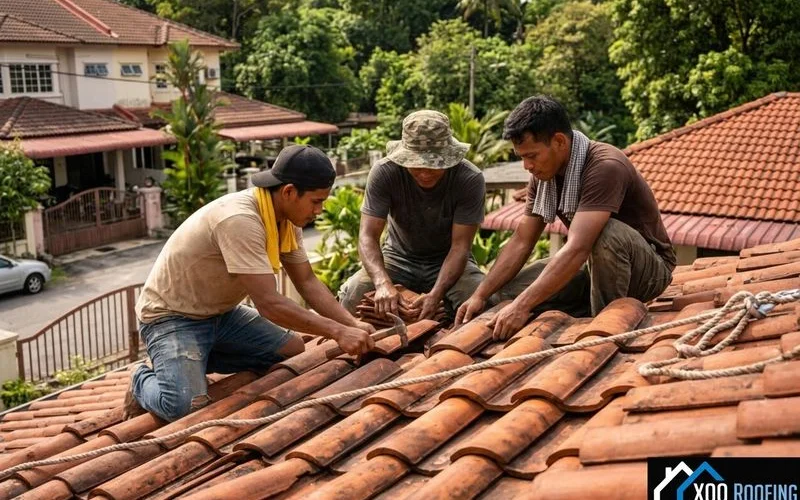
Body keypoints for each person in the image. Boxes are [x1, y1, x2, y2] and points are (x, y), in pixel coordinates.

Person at [126, 145, 376, 422]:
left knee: (291, 350)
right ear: (289, 192)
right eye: (316, 201)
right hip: (171, 319)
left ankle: (193, 361)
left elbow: (306, 281)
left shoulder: (286, 219)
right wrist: (338, 332)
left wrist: (350, 324)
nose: (319, 210)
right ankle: (141, 378)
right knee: (184, 407)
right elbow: (269, 303)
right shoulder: (240, 220)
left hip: (220, 314)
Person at [456, 95, 676, 339]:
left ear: (559, 141)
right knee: (504, 293)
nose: (527, 166)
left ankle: (603, 328)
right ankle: (578, 307)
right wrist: (481, 295)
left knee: (606, 232)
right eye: (522, 157)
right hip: (592, 266)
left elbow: (578, 248)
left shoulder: (605, 166)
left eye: (532, 155)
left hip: (648, 271)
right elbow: (522, 240)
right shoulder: (542, 177)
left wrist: (522, 306)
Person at [339, 110, 486, 320]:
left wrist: (436, 294)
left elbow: (460, 247)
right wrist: (382, 282)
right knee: (354, 293)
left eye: (434, 166)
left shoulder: (469, 179)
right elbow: (367, 236)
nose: (425, 173)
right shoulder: (385, 172)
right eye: (416, 165)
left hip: (448, 260)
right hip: (397, 258)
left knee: (479, 298)